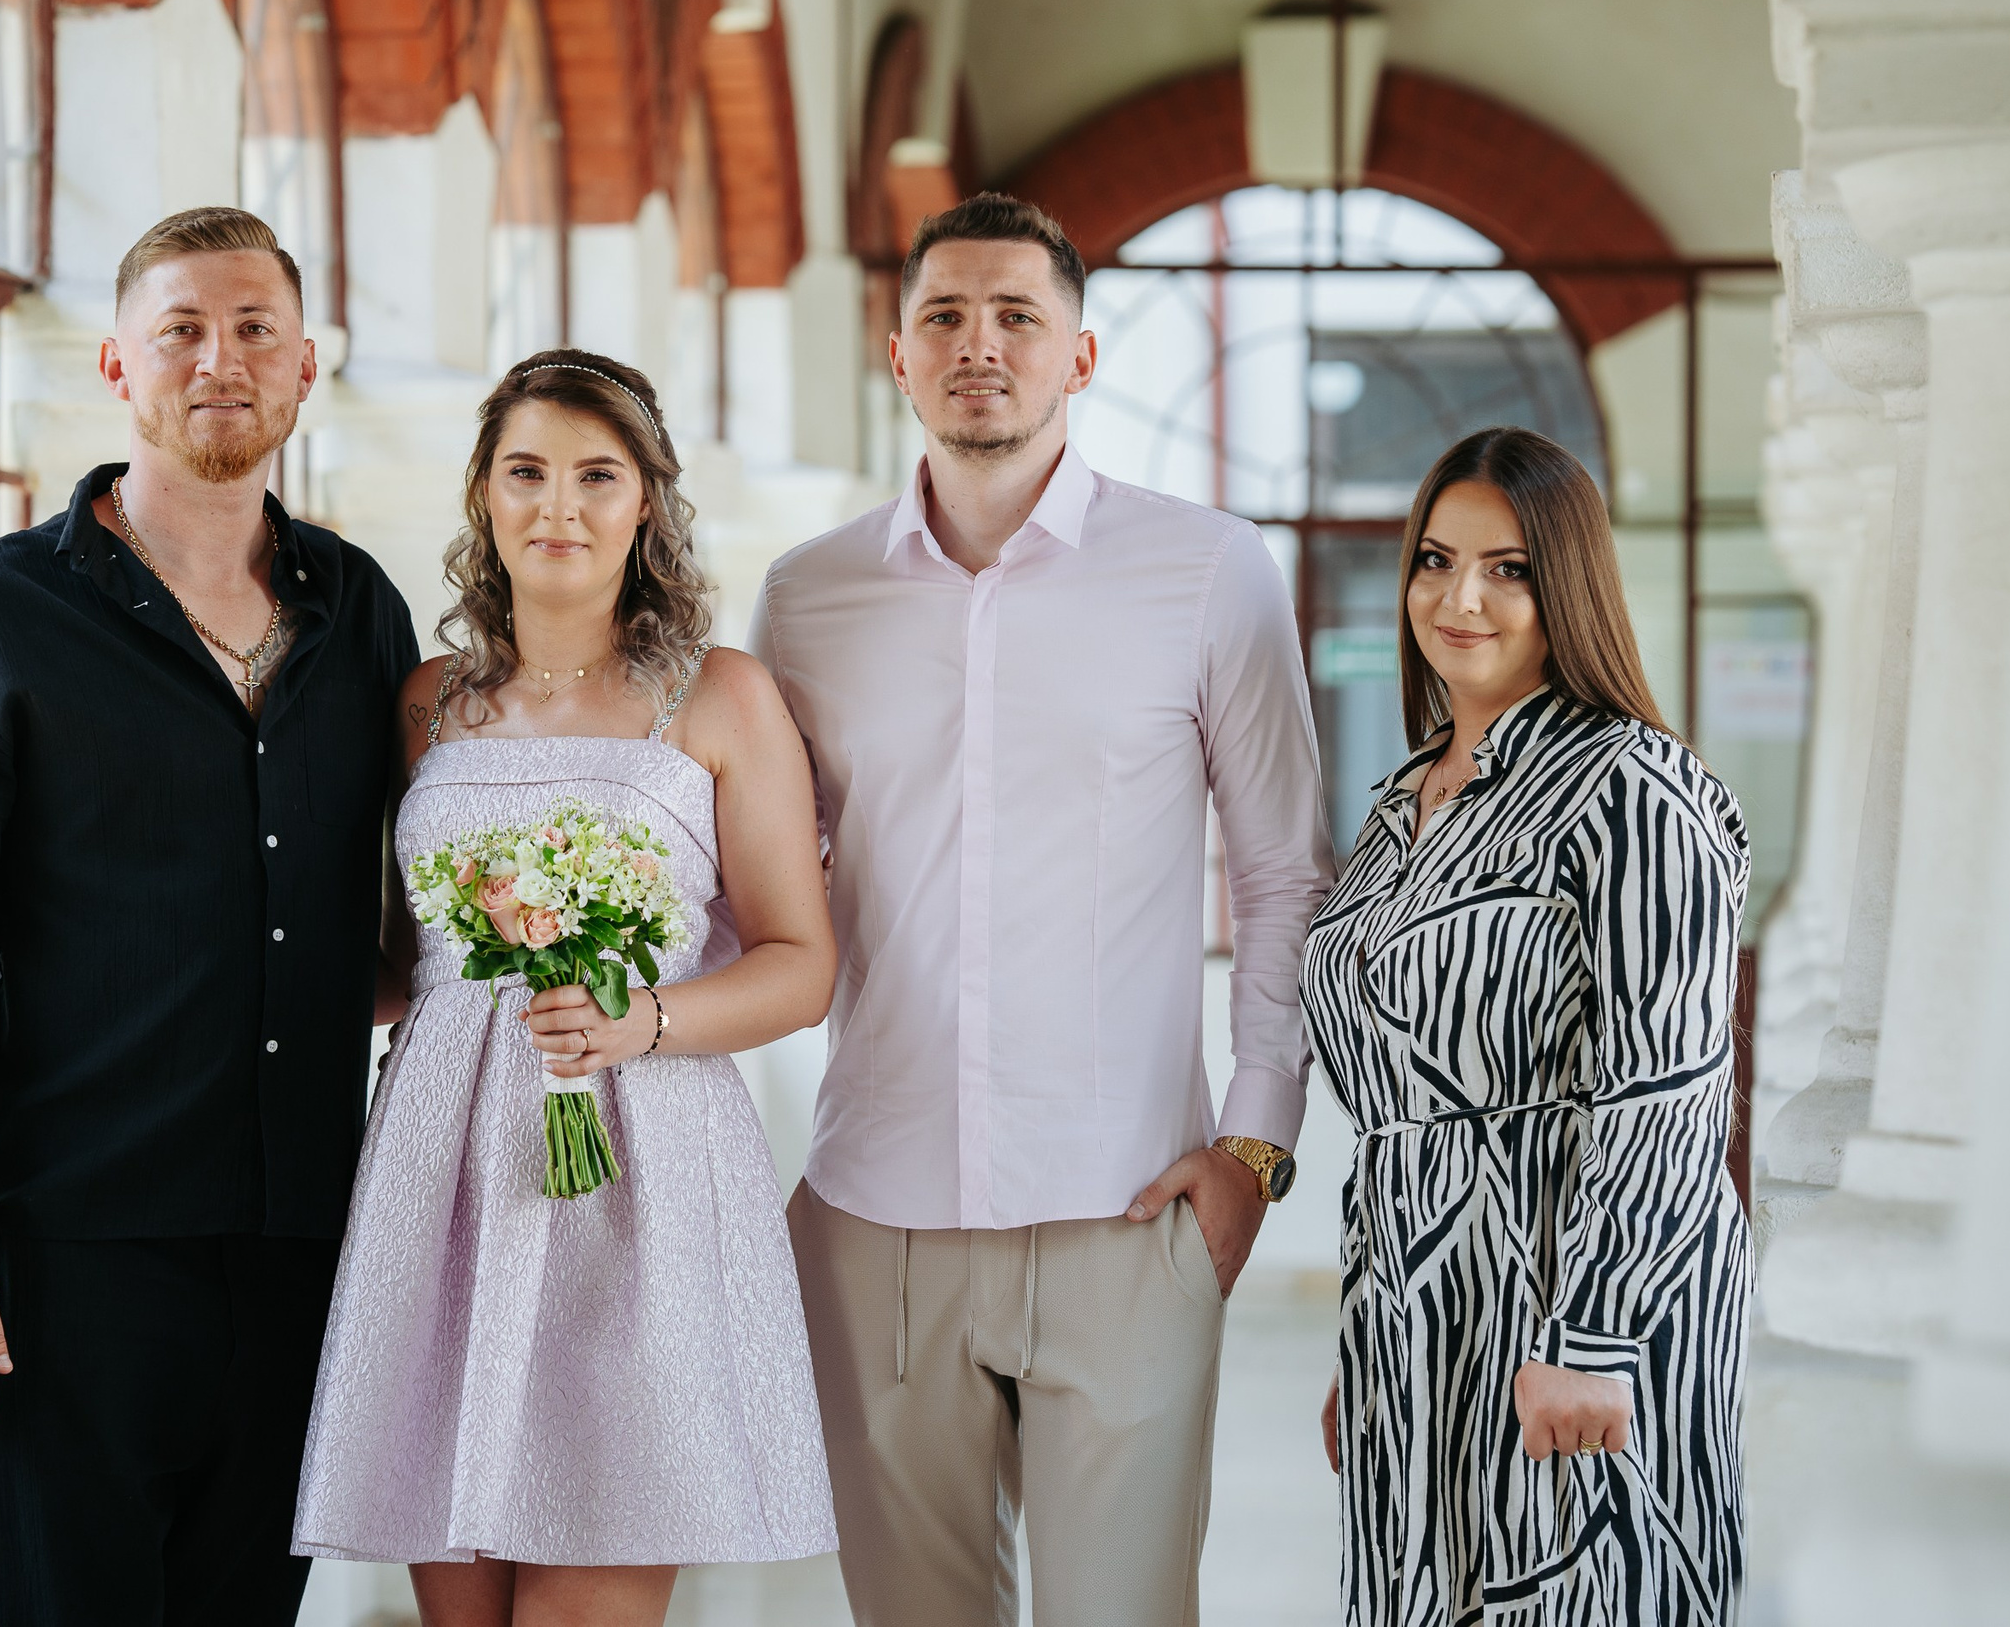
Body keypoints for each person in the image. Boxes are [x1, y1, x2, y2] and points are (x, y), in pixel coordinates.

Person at [749, 193, 1336, 1627]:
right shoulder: (807, 597)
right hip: (875, 1213)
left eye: (1017, 315)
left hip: (1129, 1208)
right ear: (897, 353)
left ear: (1078, 356)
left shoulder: (1209, 569)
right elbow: (764, 885)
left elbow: (1281, 870)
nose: (979, 345)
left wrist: (1256, 1142)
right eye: (944, 316)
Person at [0, 207, 420, 1624]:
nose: (222, 360)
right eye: (182, 331)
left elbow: (408, 909)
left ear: (306, 366)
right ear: (117, 364)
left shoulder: (362, 614)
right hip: (64, 1259)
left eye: (256, 329)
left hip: (302, 1249)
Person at [291, 349, 839, 1624]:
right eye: (526, 472)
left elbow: (800, 965)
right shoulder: (425, 704)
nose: (559, 507)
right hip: (447, 1186)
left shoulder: (721, 696)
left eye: (597, 476)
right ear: (483, 495)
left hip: (641, 1181)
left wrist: (642, 1021)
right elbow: (399, 964)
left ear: (646, 503)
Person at [1305, 426, 1751, 1623]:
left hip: (1572, 1296)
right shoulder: (1401, 803)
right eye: (1436, 560)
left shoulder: (1634, 788)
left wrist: (1592, 1337)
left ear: (1570, 587)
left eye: (1508, 569)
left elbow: (1666, 1086)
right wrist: (1380, 1337)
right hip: (1414, 1307)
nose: (1461, 600)